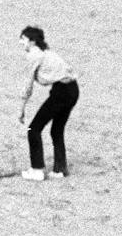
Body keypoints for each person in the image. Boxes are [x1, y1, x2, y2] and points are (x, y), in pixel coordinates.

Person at [18, 26, 80, 181]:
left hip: (61, 92)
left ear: (32, 42)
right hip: (73, 90)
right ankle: (60, 169)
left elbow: (28, 86)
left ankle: (37, 169)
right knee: (57, 130)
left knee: (34, 129)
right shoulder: (47, 52)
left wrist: (21, 109)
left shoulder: (34, 55)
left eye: (24, 39)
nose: (21, 42)